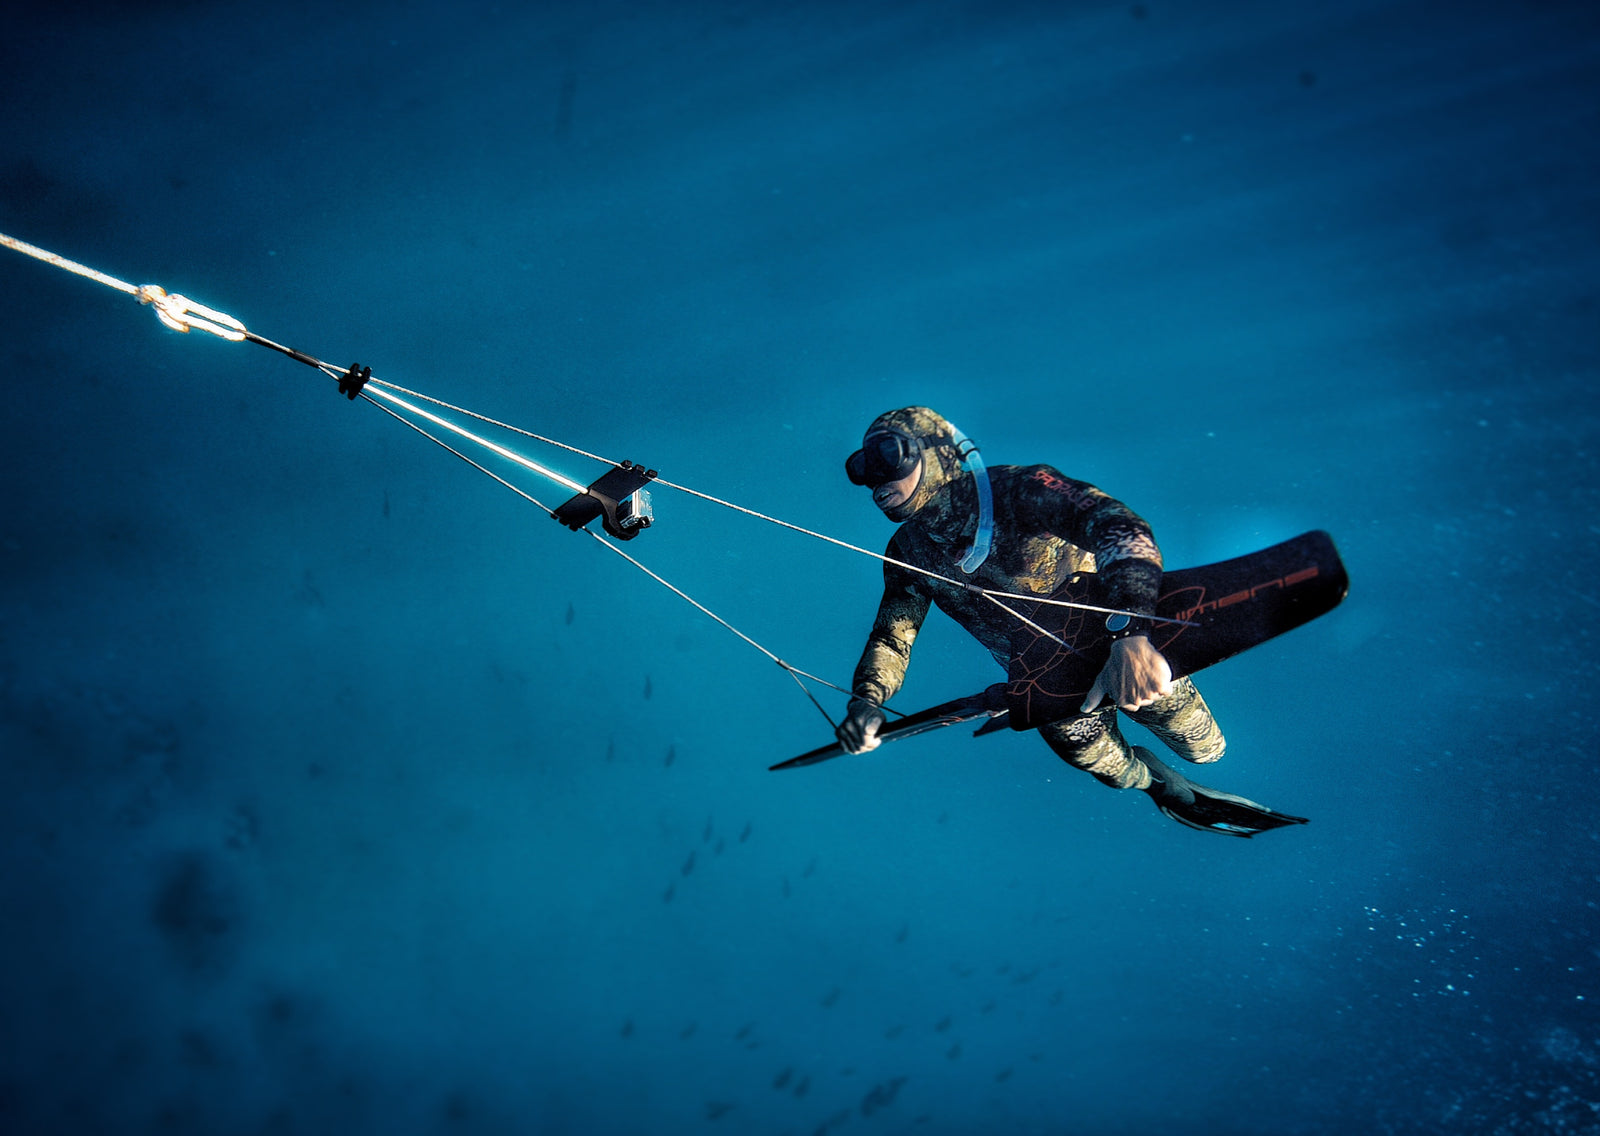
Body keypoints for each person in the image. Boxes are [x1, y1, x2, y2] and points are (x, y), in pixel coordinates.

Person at [834, 406, 1303, 836]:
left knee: (1207, 749)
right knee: (1117, 773)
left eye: (888, 454)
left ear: (939, 451)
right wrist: (866, 702)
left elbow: (1119, 526)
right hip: (1049, 687)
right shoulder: (906, 553)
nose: (875, 478)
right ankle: (1159, 785)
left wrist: (1133, 636)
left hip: (1127, 654)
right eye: (862, 466)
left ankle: (1176, 768)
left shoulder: (1022, 490)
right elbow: (893, 637)